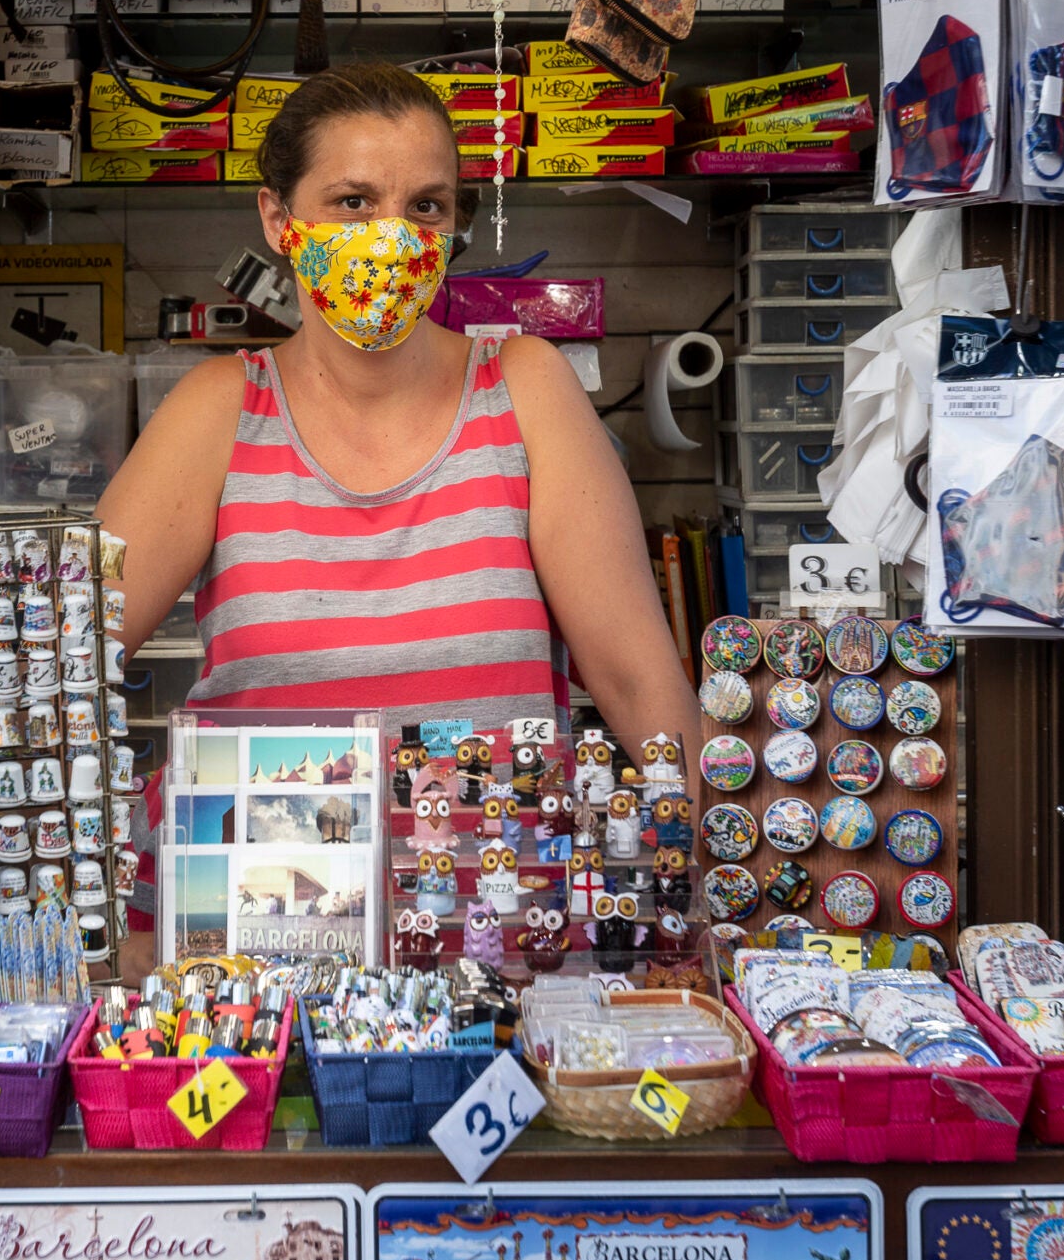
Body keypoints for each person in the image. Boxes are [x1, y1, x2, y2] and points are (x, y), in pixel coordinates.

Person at [95, 62, 700, 768]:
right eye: (354, 201)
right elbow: (60, 655)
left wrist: (726, 852)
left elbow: (637, 684)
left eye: (425, 206)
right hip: (265, 870)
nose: (392, 236)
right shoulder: (216, 411)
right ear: (278, 220)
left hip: (501, 868)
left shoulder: (527, 388)